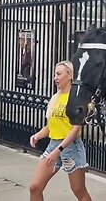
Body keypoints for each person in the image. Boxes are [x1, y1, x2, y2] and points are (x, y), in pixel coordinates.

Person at [29, 61, 91, 201]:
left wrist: (59, 149)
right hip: (53, 145)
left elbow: (76, 129)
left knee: (79, 191)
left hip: (71, 147)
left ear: (69, 75)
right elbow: (51, 125)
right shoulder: (55, 98)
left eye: (59, 74)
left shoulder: (75, 99)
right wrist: (37, 135)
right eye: (54, 74)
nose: (55, 78)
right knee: (35, 187)